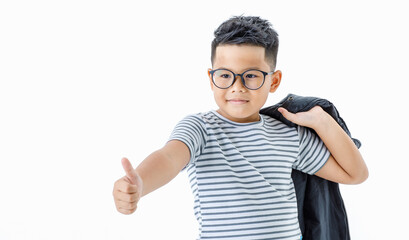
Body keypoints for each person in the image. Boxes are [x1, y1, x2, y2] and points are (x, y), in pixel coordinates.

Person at [112, 16, 368, 240]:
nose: (237, 86)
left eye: (252, 75)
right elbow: (169, 157)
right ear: (211, 79)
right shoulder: (201, 128)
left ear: (274, 81)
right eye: (225, 75)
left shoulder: (290, 135)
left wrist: (322, 121)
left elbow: (355, 174)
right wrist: (141, 183)